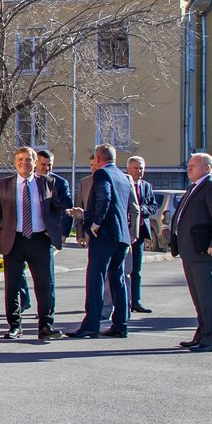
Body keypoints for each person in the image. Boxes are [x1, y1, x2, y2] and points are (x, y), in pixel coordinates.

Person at [0, 146, 59, 343]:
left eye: (28, 159)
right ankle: (15, 325)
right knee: (12, 286)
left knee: (45, 285)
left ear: (35, 163)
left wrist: (55, 233)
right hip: (14, 240)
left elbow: (57, 210)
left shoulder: (48, 183)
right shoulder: (3, 185)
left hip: (39, 240)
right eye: (20, 159)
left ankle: (46, 325)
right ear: (14, 162)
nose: (24, 163)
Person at [68, 144, 136, 338]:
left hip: (104, 235)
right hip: (122, 236)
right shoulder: (123, 177)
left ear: (97, 158)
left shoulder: (101, 175)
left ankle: (91, 324)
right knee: (118, 279)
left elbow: (104, 199)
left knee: (95, 276)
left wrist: (95, 223)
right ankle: (121, 324)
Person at [171, 152, 212, 352]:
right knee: (198, 297)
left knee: (207, 296)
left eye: (193, 165)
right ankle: (201, 333)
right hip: (190, 250)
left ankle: (210, 339)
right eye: (188, 165)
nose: (189, 168)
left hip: (203, 249)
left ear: (207, 167)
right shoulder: (195, 187)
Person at [17, 150, 75, 314]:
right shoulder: (23, 181)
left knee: (45, 277)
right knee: (17, 271)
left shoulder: (59, 183)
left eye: (49, 165)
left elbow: (66, 209)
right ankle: (23, 301)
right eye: (43, 164)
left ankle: (47, 310)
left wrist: (63, 233)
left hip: (44, 236)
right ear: (36, 164)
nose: (47, 168)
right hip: (22, 234)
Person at [127, 155, 161, 313]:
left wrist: (142, 210)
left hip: (140, 232)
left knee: (136, 270)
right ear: (128, 169)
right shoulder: (124, 183)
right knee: (121, 269)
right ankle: (121, 302)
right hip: (125, 231)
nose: (138, 171)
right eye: (135, 168)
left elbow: (154, 206)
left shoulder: (146, 186)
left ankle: (136, 301)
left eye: (141, 168)